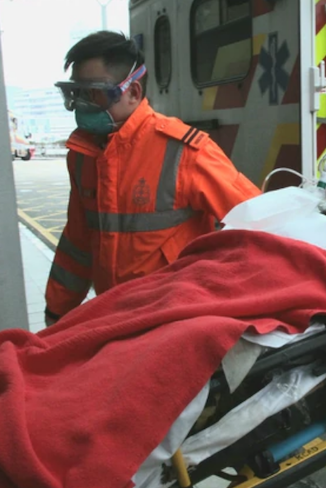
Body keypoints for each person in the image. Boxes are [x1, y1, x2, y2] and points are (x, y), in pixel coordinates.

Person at [45, 32, 261, 326]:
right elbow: (77, 243)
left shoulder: (185, 151)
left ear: (133, 92)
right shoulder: (83, 155)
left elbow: (257, 223)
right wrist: (56, 314)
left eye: (93, 93)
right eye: (76, 94)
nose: (82, 105)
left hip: (175, 321)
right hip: (115, 317)